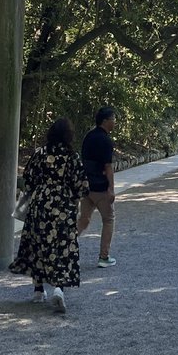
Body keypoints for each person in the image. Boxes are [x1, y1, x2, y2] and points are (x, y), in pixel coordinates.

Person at [9, 118, 89, 312]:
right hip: (62, 206)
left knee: (38, 244)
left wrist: (42, 188)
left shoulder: (40, 154)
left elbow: (27, 179)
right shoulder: (72, 156)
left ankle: (38, 289)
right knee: (61, 247)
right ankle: (59, 289)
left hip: (40, 204)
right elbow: (81, 185)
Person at [78, 106, 118, 268]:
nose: (115, 123)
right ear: (105, 121)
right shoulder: (106, 141)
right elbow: (108, 167)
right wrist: (111, 188)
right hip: (101, 187)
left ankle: (65, 247)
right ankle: (104, 256)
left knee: (83, 219)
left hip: (87, 186)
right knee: (108, 219)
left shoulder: (88, 137)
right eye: (113, 119)